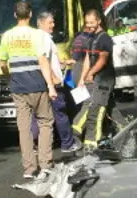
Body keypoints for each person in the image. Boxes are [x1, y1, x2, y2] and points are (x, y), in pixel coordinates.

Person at [0, 0, 57, 179]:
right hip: (37, 84)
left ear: (15, 15)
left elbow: (2, 63)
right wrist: (51, 86)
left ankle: (29, 168)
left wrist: (9, 77)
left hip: (19, 87)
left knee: (24, 128)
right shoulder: (37, 35)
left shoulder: (7, 36)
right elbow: (43, 61)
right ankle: (46, 164)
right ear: (30, 15)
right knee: (45, 122)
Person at [29, 10, 79, 152]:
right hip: (52, 83)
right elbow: (43, 61)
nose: (53, 25)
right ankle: (67, 144)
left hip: (43, 82)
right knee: (60, 113)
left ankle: (35, 144)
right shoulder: (44, 38)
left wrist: (63, 63)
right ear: (42, 23)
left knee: (39, 115)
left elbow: (51, 61)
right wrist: (54, 79)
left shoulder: (40, 37)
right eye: (50, 22)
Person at [71, 9, 115, 150]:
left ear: (99, 21)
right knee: (108, 110)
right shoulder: (90, 38)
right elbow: (87, 61)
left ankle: (91, 143)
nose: (89, 25)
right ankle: (125, 132)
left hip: (104, 80)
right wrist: (82, 79)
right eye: (87, 23)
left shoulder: (104, 38)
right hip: (95, 78)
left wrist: (91, 73)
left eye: (92, 22)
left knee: (97, 109)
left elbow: (102, 60)